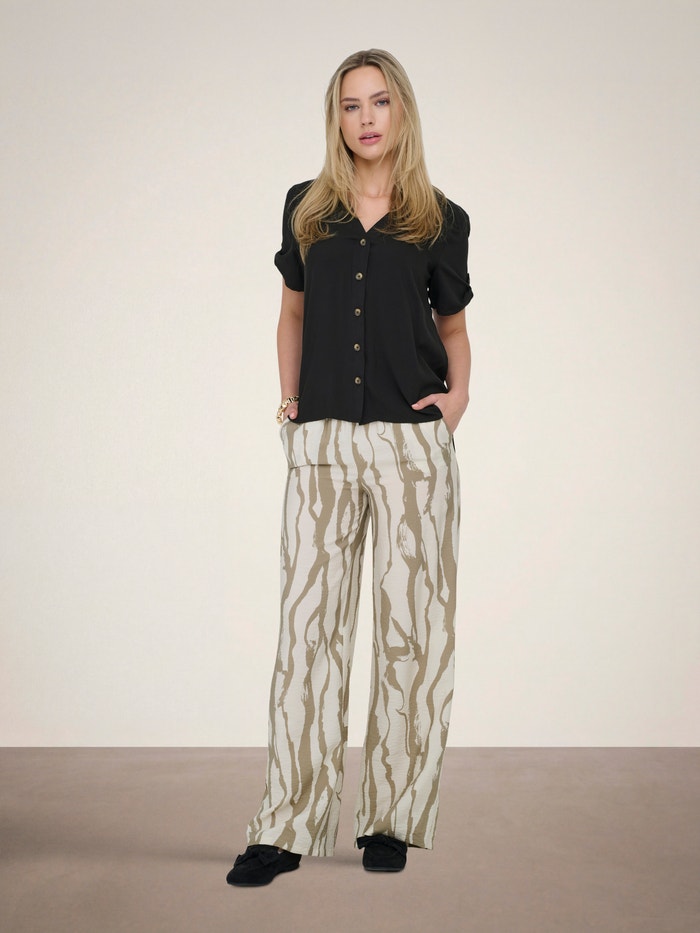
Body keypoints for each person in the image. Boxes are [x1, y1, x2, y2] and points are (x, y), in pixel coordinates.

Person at [226, 48, 473, 887]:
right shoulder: (307, 208)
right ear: (335, 118)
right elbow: (291, 313)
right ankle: (285, 826)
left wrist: (457, 402)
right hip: (324, 440)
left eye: (380, 102)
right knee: (308, 635)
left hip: (412, 448)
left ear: (403, 111)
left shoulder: (441, 219)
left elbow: (454, 329)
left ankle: (390, 819)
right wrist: (291, 406)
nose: (366, 118)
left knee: (412, 635)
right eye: (350, 105)